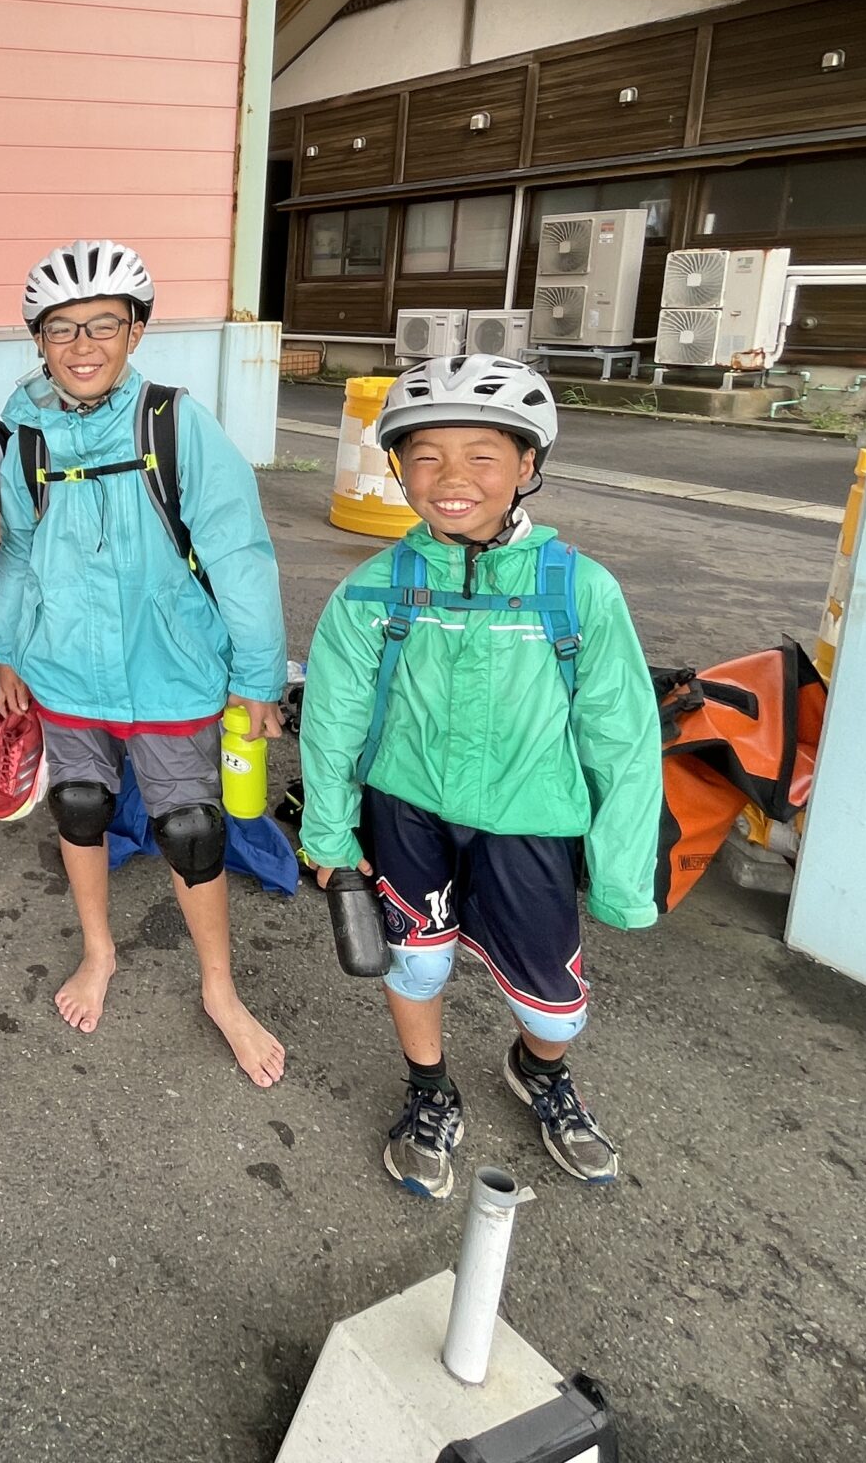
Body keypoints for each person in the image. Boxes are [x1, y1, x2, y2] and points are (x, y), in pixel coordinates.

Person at [296, 355, 662, 1199]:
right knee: (414, 966)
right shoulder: (372, 590)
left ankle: (540, 1069)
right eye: (425, 456)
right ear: (399, 469)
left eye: (482, 456)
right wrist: (329, 837)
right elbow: (334, 722)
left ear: (528, 464)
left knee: (553, 1005)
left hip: (532, 819)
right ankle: (429, 1088)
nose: (451, 478)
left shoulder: (579, 591)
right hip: (408, 812)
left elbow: (622, 738)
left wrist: (621, 873)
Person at [0, 240, 290, 1088]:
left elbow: (240, 555)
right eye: (62, 329)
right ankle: (99, 950)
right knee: (79, 805)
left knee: (190, 827)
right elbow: (15, 554)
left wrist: (257, 678)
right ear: (39, 341)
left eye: (103, 326)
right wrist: (6, 654)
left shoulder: (175, 423)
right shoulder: (28, 441)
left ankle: (219, 990)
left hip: (171, 669)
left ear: (136, 331)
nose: (82, 345)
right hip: (63, 667)